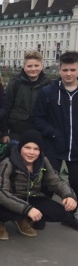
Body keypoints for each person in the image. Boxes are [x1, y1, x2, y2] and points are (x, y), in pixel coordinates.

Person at [0, 130, 78, 240]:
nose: (31, 152)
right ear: (20, 147)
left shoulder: (43, 161)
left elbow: (55, 181)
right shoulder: (8, 163)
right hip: (8, 199)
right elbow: (0, 192)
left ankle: (22, 219)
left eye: (36, 149)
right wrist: (27, 209)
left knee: (63, 214)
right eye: (27, 147)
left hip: (31, 197)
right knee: (18, 211)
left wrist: (69, 195)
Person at [33, 51, 78, 228]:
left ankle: (69, 216)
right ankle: (41, 216)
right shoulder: (48, 92)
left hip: (76, 148)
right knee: (48, 183)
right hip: (54, 145)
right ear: (59, 70)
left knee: (75, 183)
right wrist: (52, 133)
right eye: (65, 69)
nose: (69, 73)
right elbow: (38, 118)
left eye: (73, 69)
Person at [5, 50, 51, 141]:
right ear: (24, 67)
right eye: (29, 66)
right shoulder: (15, 83)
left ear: (42, 66)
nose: (33, 69)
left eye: (36, 65)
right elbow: (6, 107)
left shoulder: (48, 84)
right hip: (17, 132)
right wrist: (4, 132)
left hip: (40, 132)